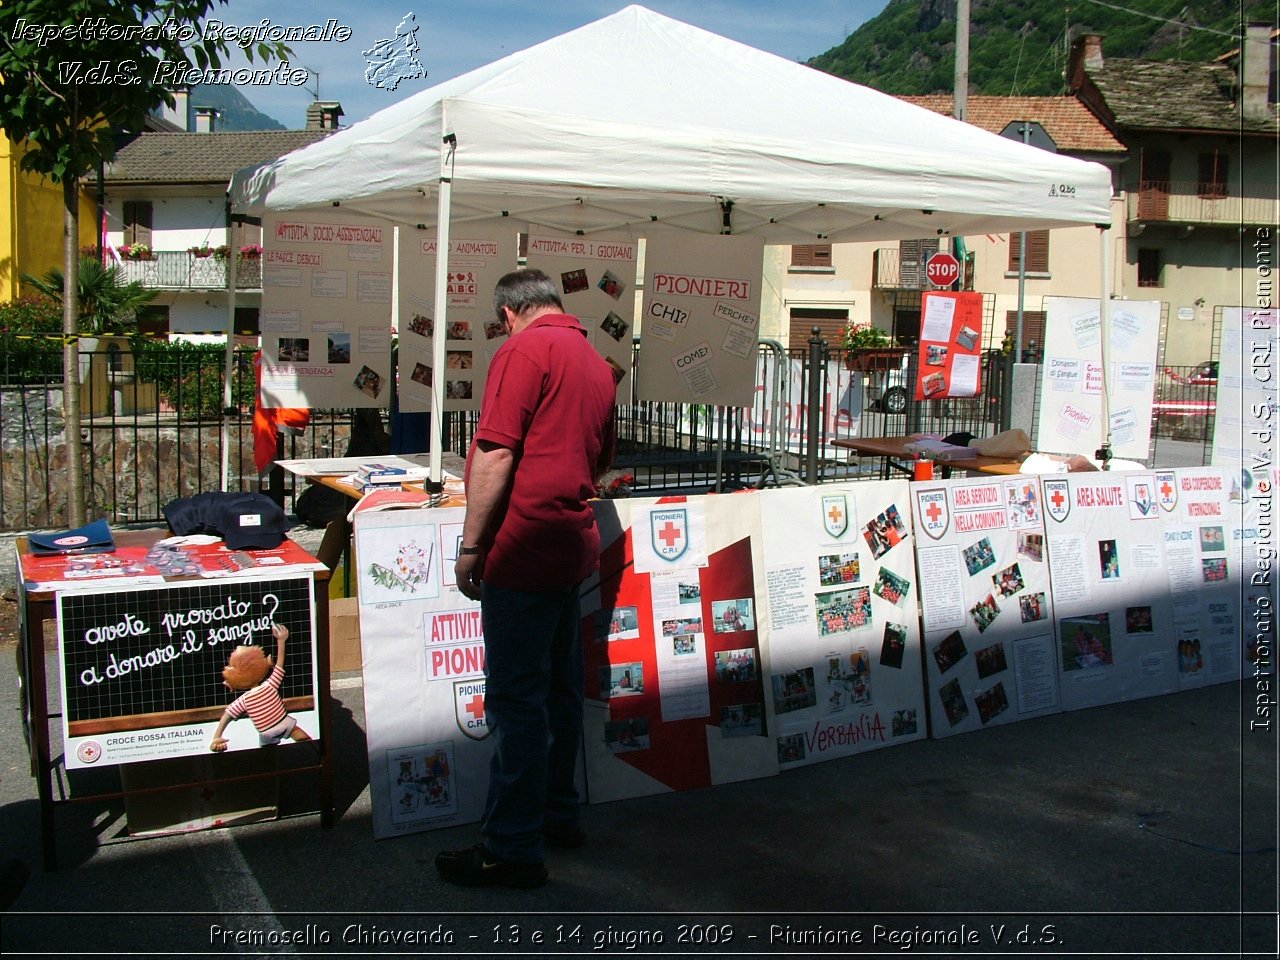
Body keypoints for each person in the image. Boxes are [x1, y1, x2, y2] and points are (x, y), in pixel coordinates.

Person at [435, 269, 616, 889]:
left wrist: (471, 545)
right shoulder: (594, 359)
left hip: (523, 549)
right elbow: (600, 460)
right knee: (560, 696)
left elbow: (494, 451)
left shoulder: (521, 351)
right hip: (569, 547)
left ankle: (511, 847)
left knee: (517, 703)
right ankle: (557, 815)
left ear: (508, 313)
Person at [209, 623, 311, 751]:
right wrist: (281, 641)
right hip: (284, 723)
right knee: (305, 741)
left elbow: (227, 715)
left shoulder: (244, 700)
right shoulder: (270, 685)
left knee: (267, 756)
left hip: (267, 732)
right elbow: (280, 663)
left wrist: (216, 736)